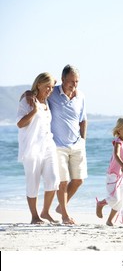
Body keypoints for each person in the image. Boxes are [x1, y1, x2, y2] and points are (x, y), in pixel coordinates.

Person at [23, 64, 88, 224]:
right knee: (62, 181)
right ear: (63, 79)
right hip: (57, 145)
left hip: (77, 144)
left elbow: (83, 119)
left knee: (79, 180)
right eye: (71, 81)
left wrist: (83, 140)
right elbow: (37, 92)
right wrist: (29, 93)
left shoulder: (81, 96)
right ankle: (65, 215)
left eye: (77, 81)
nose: (74, 84)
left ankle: (60, 207)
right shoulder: (53, 93)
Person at [16, 72, 60, 224]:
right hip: (32, 148)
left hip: (48, 146)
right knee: (33, 183)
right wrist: (34, 110)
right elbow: (20, 124)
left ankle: (45, 212)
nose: (50, 90)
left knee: (54, 179)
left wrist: (52, 82)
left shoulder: (47, 101)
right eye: (47, 86)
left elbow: (54, 82)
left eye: (52, 87)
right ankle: (34, 217)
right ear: (38, 84)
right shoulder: (27, 101)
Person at [96, 117, 123, 226]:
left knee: (120, 201)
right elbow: (116, 155)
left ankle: (110, 220)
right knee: (114, 198)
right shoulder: (118, 142)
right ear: (119, 130)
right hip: (114, 174)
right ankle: (100, 204)